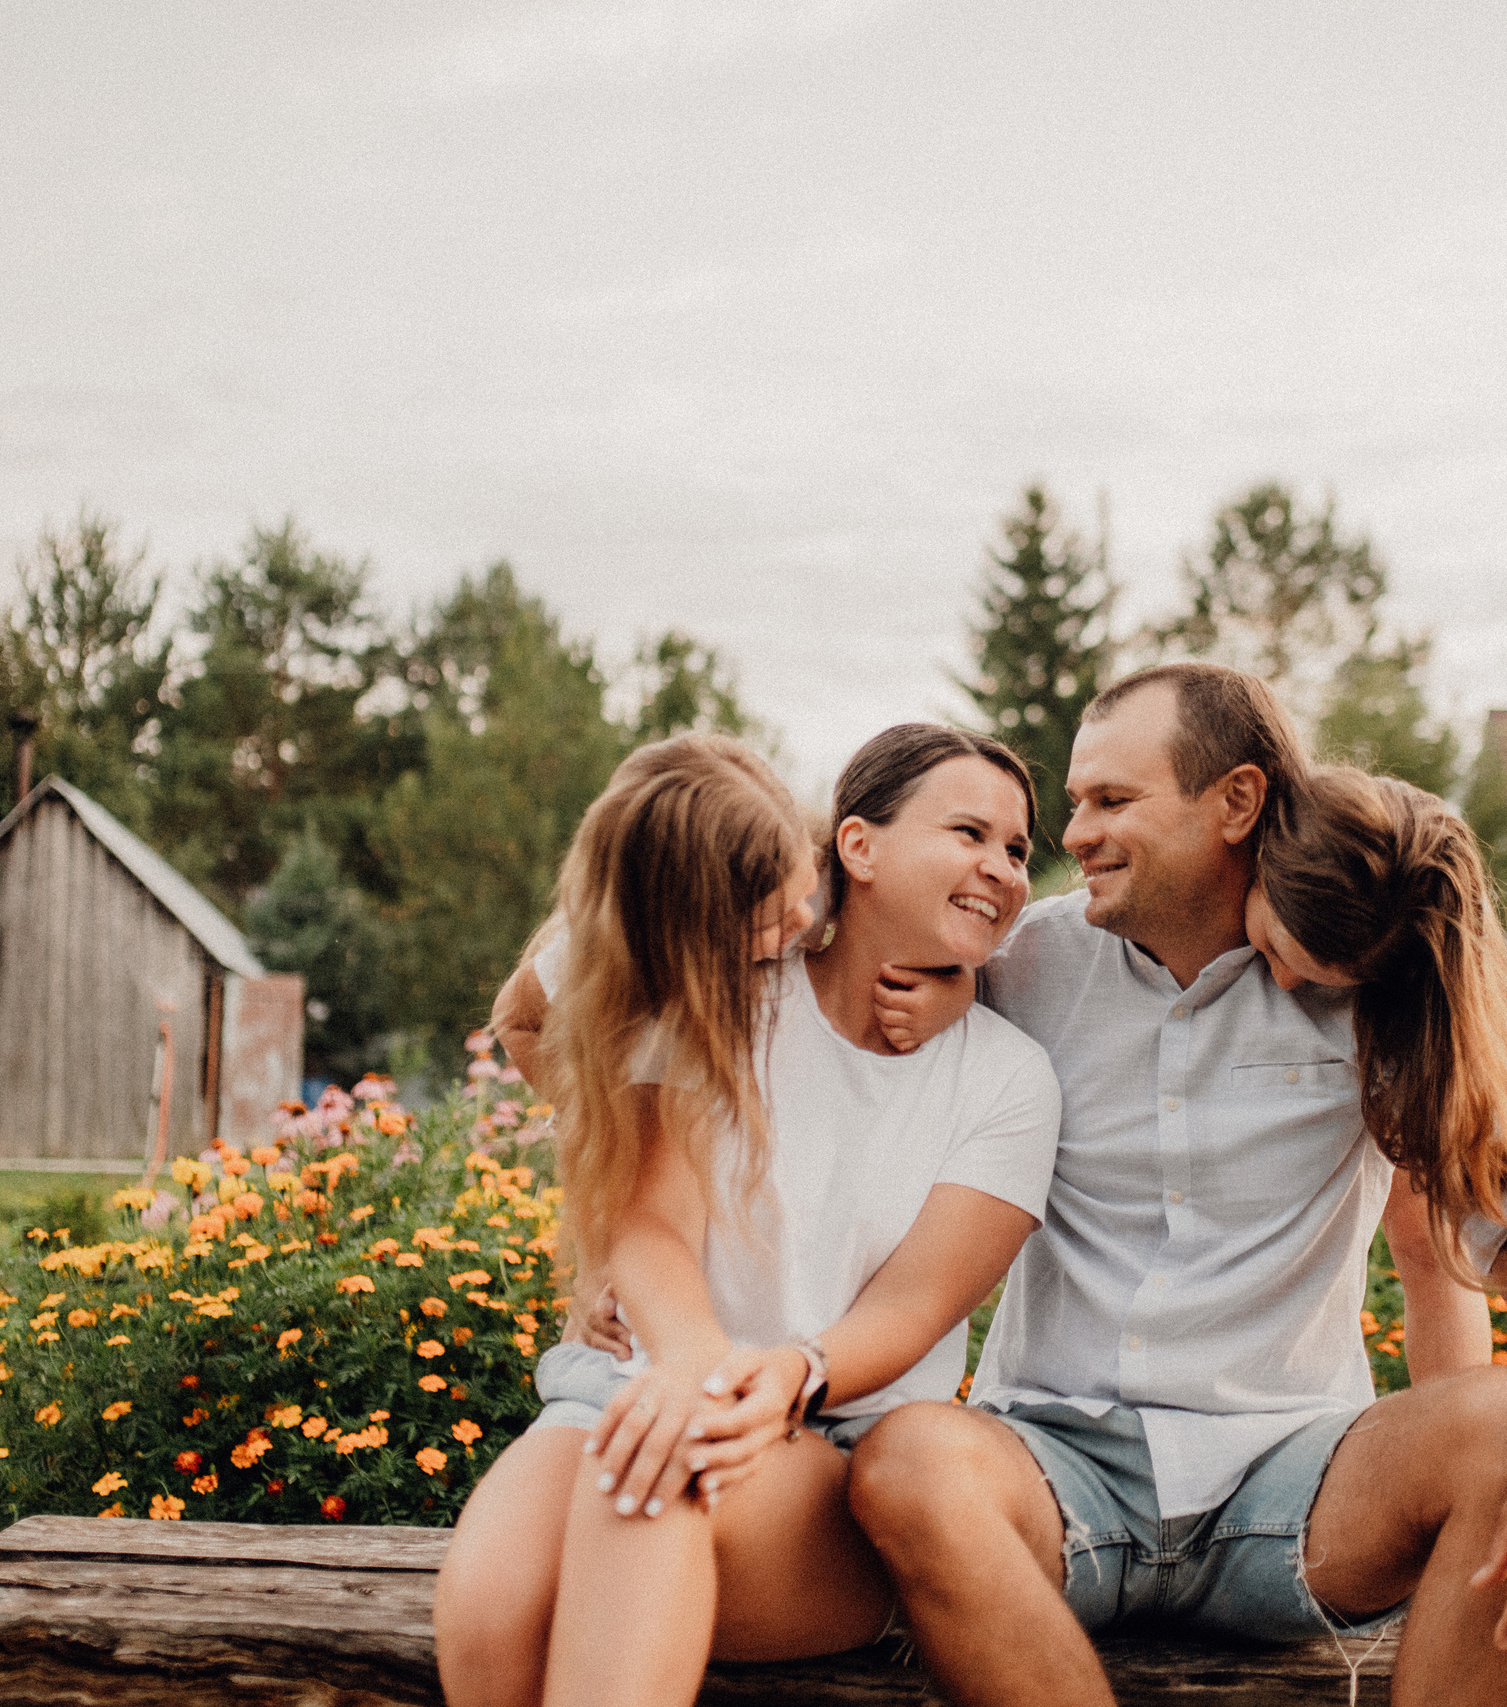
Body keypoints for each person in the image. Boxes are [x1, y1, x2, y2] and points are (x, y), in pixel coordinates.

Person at [845, 664, 1507, 1707]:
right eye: (1075, 801)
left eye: (1111, 800)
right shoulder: (1019, 960)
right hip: (1052, 1465)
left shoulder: (1357, 975)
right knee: (909, 1461)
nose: (1071, 832)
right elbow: (799, 962)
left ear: (1236, 801)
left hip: (1293, 1483)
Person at [432, 726, 1063, 1707]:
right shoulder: (713, 977)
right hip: (633, 1381)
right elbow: (639, 1192)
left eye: (1018, 848)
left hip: (831, 1437)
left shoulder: (1008, 1076)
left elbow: (912, 1308)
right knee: (494, 1611)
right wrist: (619, 1224)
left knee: (653, 1471)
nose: (1003, 867)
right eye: (970, 830)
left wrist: (751, 1382)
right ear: (856, 845)